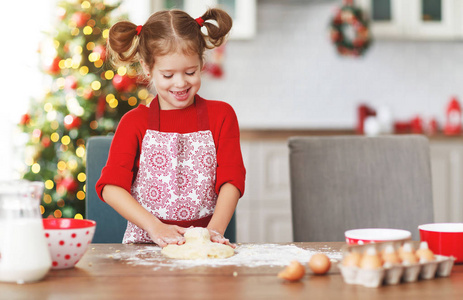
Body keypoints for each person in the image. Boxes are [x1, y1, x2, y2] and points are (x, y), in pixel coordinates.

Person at [95, 8, 246, 248]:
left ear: (201, 63)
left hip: (205, 244)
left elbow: (232, 178)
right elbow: (111, 188)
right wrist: (154, 226)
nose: (180, 83)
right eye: (167, 75)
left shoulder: (221, 116)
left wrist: (213, 232)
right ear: (148, 68)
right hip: (146, 244)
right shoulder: (134, 123)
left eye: (190, 72)